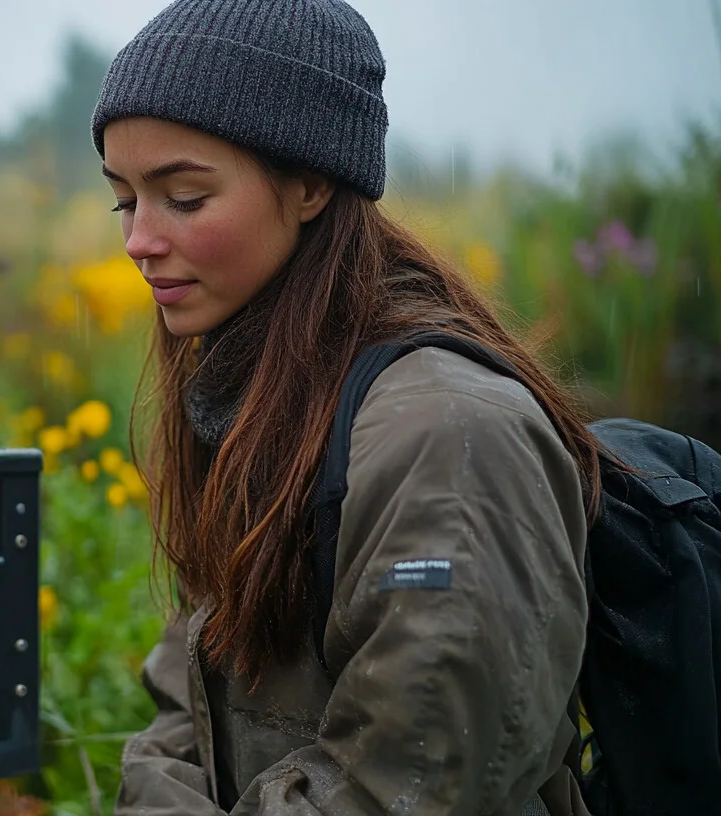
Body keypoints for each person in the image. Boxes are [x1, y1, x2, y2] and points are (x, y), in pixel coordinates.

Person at [89, 1, 606, 814]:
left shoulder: (446, 435)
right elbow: (182, 711)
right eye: (125, 200)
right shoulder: (253, 402)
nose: (138, 240)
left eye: (183, 197)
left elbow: (415, 784)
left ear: (310, 185)